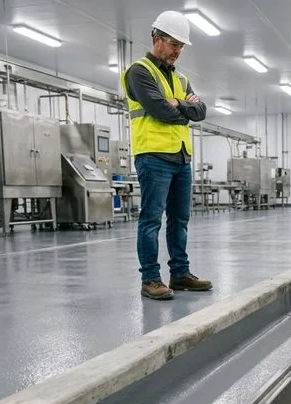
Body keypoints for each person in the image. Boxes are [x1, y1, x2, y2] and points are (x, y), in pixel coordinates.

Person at [122, 10, 212, 300]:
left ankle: (180, 273)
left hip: (181, 157)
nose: (177, 51)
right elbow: (161, 110)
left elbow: (201, 112)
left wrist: (179, 106)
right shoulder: (139, 72)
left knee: (179, 219)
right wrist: (180, 108)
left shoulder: (182, 80)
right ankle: (150, 278)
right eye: (174, 44)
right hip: (153, 156)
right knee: (151, 219)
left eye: (181, 46)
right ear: (156, 38)